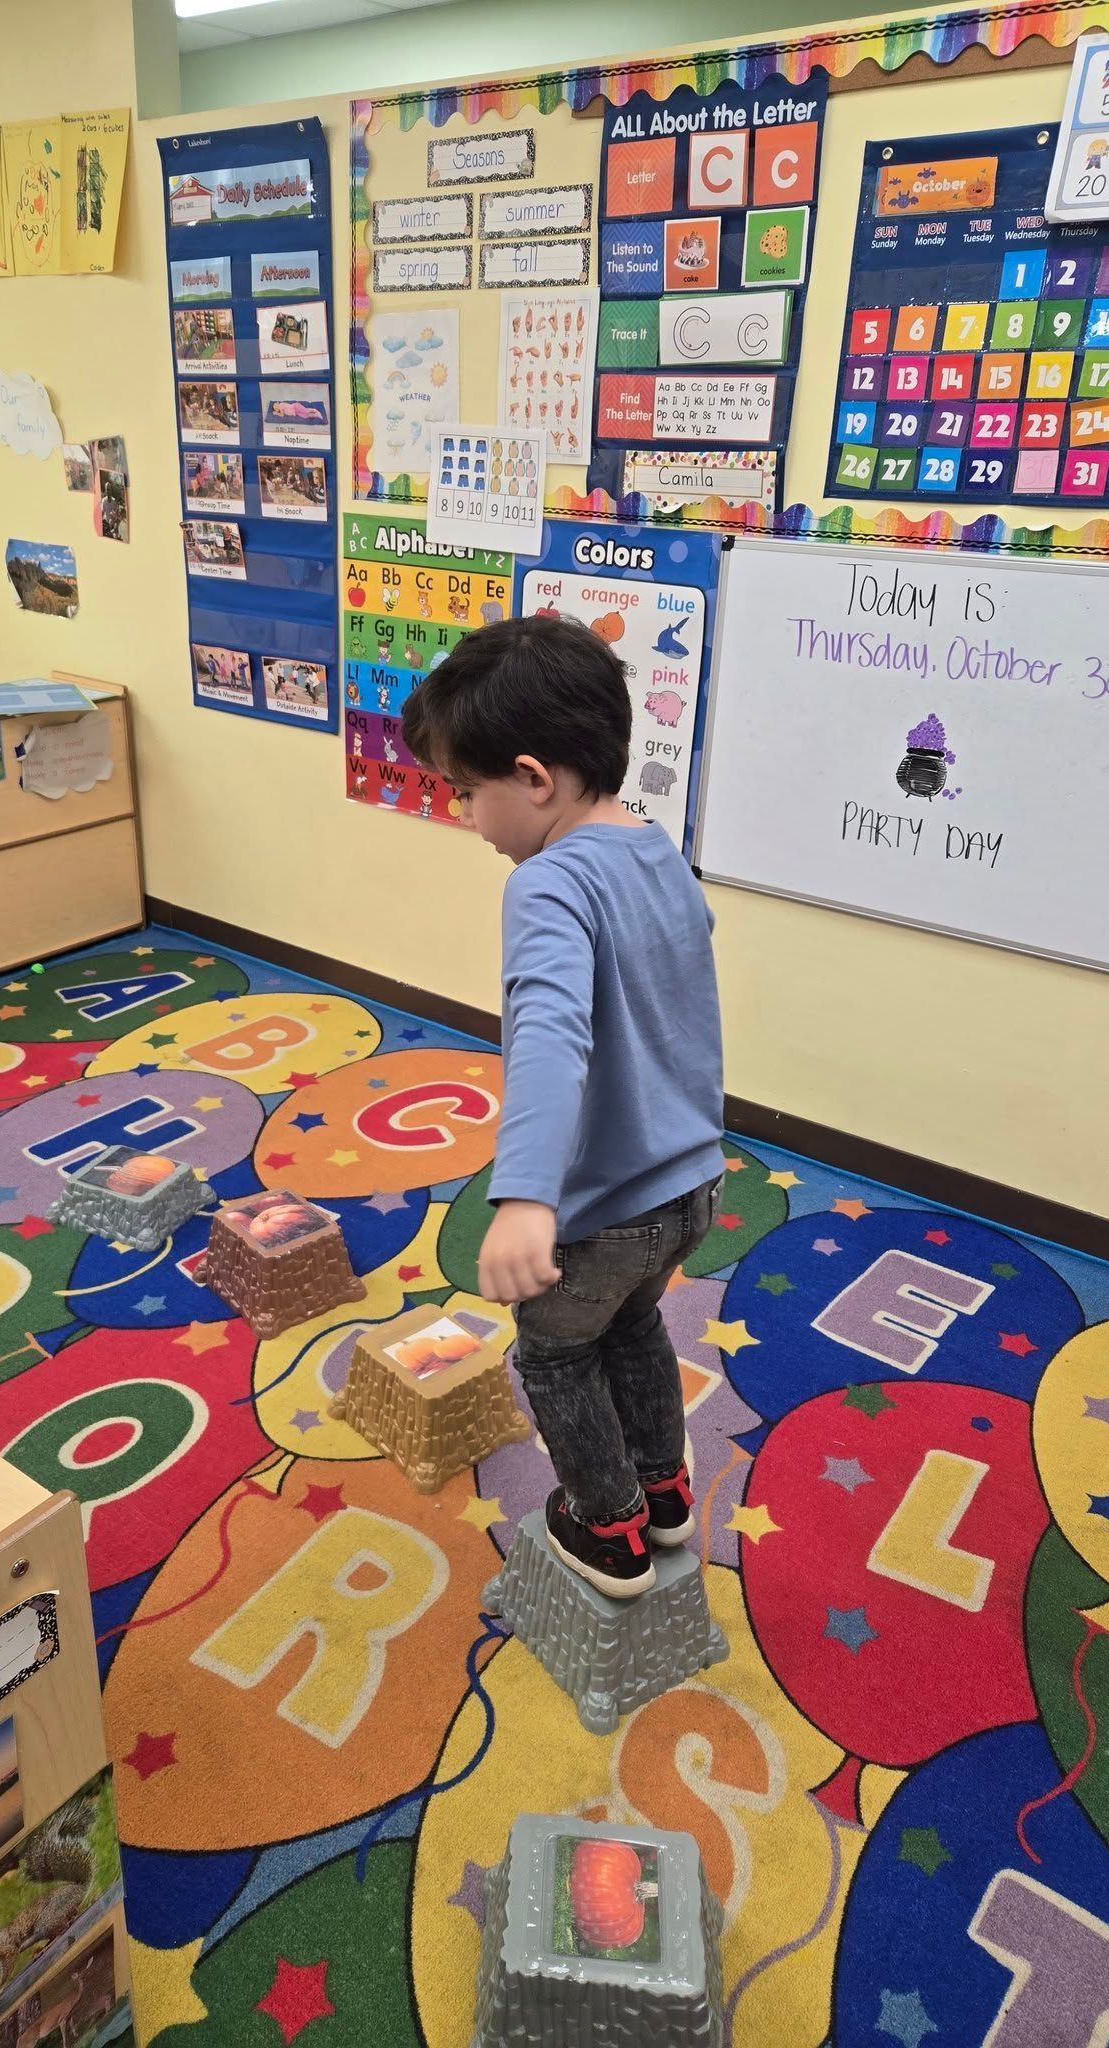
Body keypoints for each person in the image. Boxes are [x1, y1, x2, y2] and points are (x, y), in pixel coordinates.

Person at [401, 614, 725, 1598]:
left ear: (535, 779)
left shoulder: (546, 884)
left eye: (467, 792)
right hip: (692, 1183)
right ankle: (667, 1494)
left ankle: (612, 1529)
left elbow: (548, 1037)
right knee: (631, 1329)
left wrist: (529, 1193)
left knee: (552, 1353)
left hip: (601, 1208)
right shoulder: (658, 851)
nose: (466, 816)